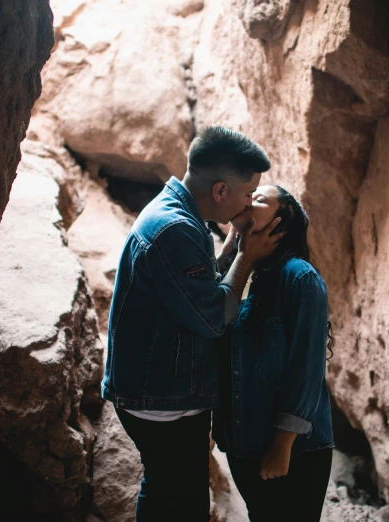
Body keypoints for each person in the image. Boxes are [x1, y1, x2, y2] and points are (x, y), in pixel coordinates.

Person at [102, 127, 284, 522]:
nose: (249, 202)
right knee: (177, 498)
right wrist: (248, 257)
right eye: (247, 192)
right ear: (220, 191)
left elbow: (199, 289)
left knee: (174, 492)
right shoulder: (174, 229)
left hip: (162, 389)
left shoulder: (181, 214)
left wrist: (235, 242)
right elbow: (213, 316)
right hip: (159, 398)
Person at [213, 185, 335, 522]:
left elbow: (307, 369)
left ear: (280, 223)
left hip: (292, 450)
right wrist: (237, 244)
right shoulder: (246, 273)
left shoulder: (300, 278)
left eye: (259, 199)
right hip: (243, 443)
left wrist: (283, 445)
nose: (248, 199)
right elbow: (208, 317)